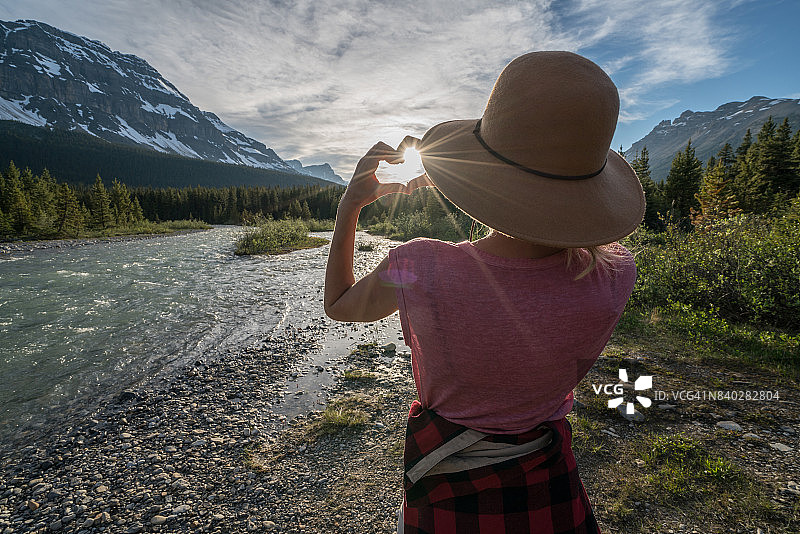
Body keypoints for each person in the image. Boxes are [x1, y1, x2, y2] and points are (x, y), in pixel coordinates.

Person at [324, 51, 645, 534]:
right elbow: (546, 223)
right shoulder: (616, 272)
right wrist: (484, 176)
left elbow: (339, 305)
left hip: (448, 487)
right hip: (549, 484)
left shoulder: (418, 264)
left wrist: (349, 207)